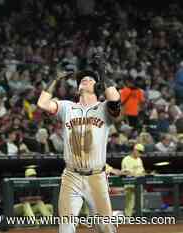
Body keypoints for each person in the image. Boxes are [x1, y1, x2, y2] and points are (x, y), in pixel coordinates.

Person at [37, 53, 121, 233]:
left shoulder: (103, 108)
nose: (85, 79)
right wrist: (55, 79)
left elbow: (115, 99)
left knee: (105, 227)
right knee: (66, 228)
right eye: (82, 79)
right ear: (77, 89)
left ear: (97, 87)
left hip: (96, 177)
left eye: (90, 79)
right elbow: (43, 103)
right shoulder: (67, 107)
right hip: (71, 176)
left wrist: (103, 73)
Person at [121, 143, 146, 217]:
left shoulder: (139, 160)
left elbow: (142, 171)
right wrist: (137, 174)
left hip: (138, 185)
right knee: (129, 204)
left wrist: (145, 173)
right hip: (130, 185)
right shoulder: (126, 159)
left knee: (140, 203)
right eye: (139, 151)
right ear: (134, 150)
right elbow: (126, 172)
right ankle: (128, 220)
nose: (140, 154)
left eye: (141, 152)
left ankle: (139, 218)